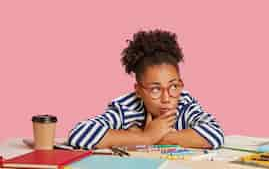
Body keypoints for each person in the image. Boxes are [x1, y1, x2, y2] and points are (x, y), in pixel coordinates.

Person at [67, 30, 224, 150]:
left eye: (174, 86)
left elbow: (215, 134)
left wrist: (159, 137)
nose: (166, 98)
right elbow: (80, 134)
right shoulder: (127, 108)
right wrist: (146, 137)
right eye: (155, 89)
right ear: (138, 91)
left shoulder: (184, 103)